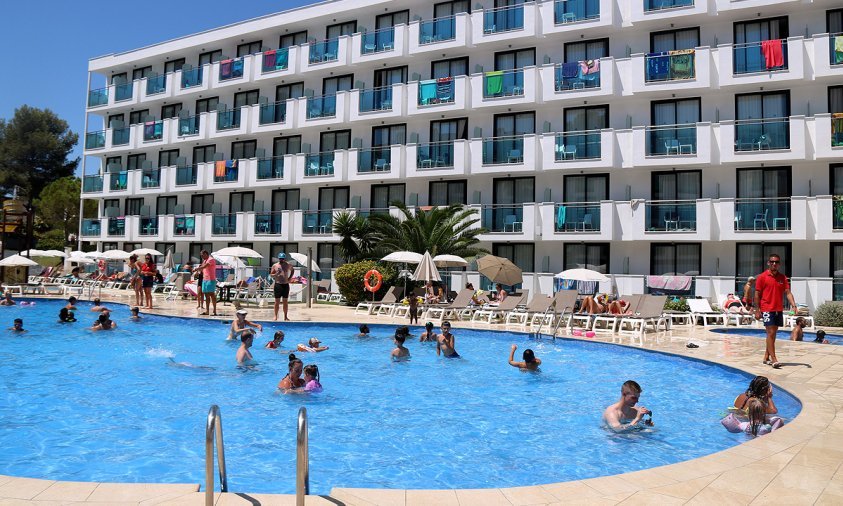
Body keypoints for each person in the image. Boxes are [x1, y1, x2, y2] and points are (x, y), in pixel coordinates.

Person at [754, 253, 797, 369]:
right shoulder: (762, 277)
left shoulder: (783, 278)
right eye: (772, 261)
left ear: (779, 264)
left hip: (778, 309)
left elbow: (787, 292)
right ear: (768, 263)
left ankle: (766, 356)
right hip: (767, 308)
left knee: (773, 334)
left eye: (776, 262)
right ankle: (774, 359)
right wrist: (757, 310)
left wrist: (793, 305)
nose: (774, 264)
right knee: (770, 333)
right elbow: (757, 294)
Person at [270, 252, 294, 321]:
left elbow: (292, 270)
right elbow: (271, 274)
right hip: (278, 284)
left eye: (282, 259)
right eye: (280, 259)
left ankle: (285, 316)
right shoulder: (275, 265)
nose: (281, 260)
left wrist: (290, 278)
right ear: (278, 258)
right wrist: (276, 274)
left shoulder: (288, 265)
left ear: (284, 259)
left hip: (285, 285)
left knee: (285, 301)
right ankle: (275, 316)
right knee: (277, 301)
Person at [194, 250, 217, 316]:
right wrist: (196, 272)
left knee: (212, 294)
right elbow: (202, 269)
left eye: (202, 255)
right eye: (201, 255)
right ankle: (207, 311)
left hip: (211, 279)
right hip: (205, 279)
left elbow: (204, 266)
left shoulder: (211, 259)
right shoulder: (204, 261)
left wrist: (196, 269)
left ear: (206, 254)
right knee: (206, 295)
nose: (201, 257)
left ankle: (214, 311)